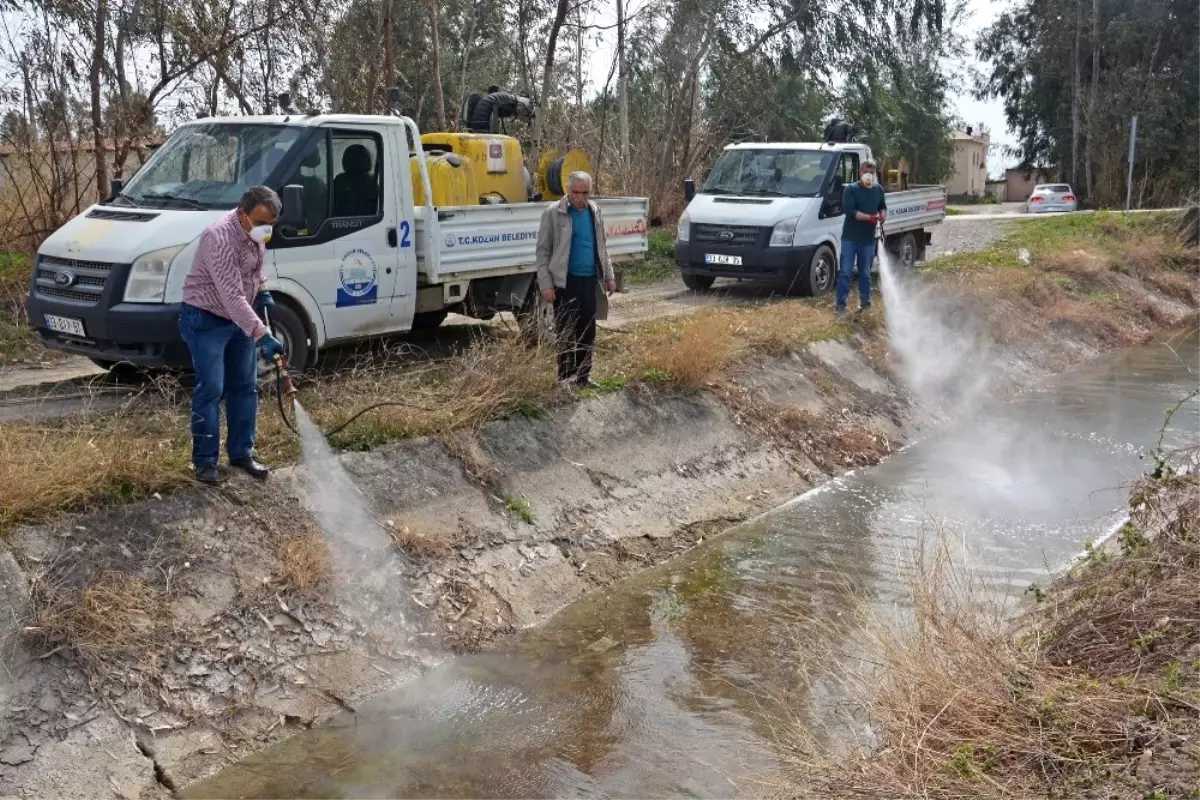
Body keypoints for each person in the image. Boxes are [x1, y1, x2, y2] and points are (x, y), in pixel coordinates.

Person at [178, 186, 287, 485]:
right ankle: (205, 461)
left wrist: (262, 291)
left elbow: (252, 271)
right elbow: (231, 297)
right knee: (212, 388)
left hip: (238, 317)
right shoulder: (219, 237)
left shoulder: (255, 234)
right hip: (205, 317)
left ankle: (241, 453)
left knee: (245, 386)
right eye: (261, 222)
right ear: (242, 213)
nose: (266, 230)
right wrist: (262, 333)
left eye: (271, 225)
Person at [534, 171, 616, 389]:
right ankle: (565, 378)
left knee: (587, 330)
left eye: (585, 192)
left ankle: (583, 376)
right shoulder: (553, 213)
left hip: (589, 280)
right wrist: (546, 284)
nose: (580, 197)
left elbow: (603, 247)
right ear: (567, 191)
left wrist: (609, 276)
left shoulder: (595, 212)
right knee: (566, 330)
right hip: (565, 282)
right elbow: (542, 252)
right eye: (576, 192)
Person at [836, 159, 888, 316]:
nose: (868, 175)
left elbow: (882, 206)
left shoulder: (878, 190)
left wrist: (883, 215)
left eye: (871, 173)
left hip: (868, 240)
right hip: (850, 239)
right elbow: (850, 212)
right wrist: (871, 218)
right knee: (845, 272)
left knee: (865, 273)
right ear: (859, 172)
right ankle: (840, 306)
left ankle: (866, 305)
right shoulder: (850, 190)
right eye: (866, 172)